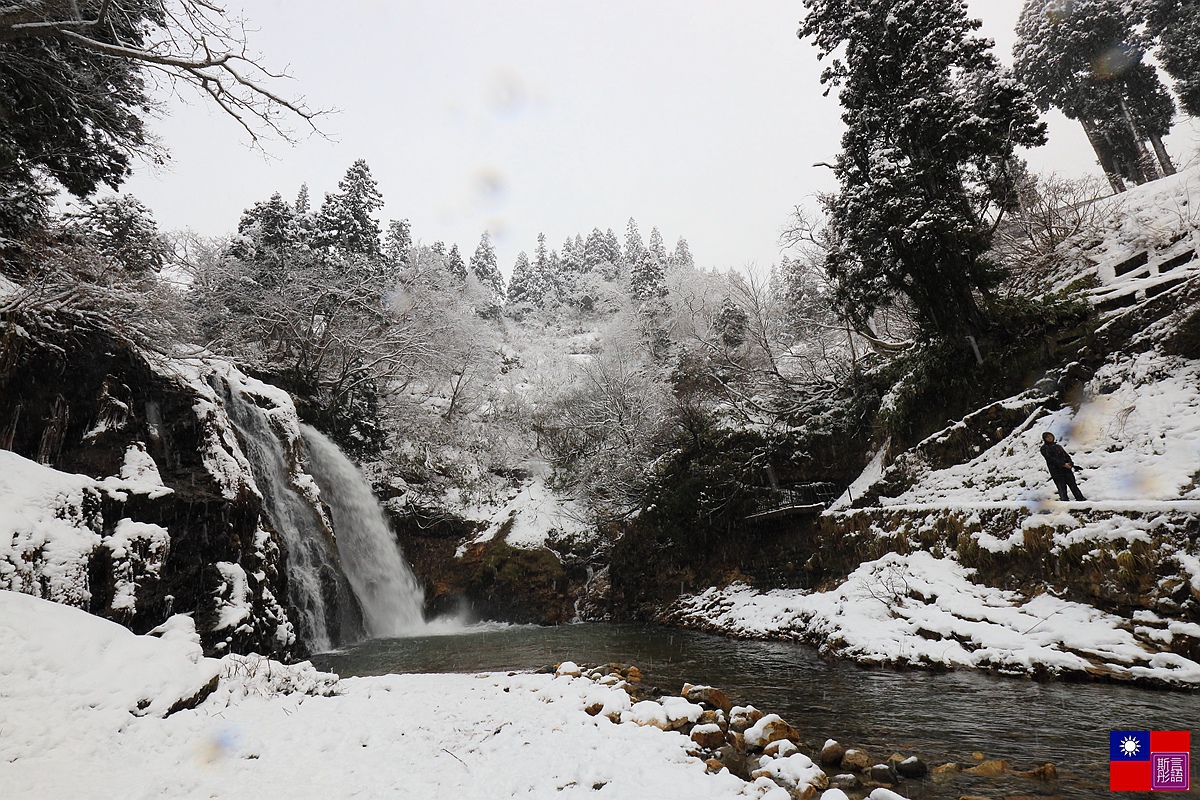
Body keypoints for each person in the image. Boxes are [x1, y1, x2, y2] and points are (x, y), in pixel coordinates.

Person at [1040, 431, 1086, 501]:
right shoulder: (1044, 448)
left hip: (1067, 469)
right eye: (1047, 437)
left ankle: (1080, 499)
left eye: (1050, 436)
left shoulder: (1058, 446)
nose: (1049, 438)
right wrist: (1063, 464)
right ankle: (1064, 502)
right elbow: (1050, 459)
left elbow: (1066, 456)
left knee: (1073, 485)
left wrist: (1070, 463)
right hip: (1056, 471)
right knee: (1061, 487)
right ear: (1044, 439)